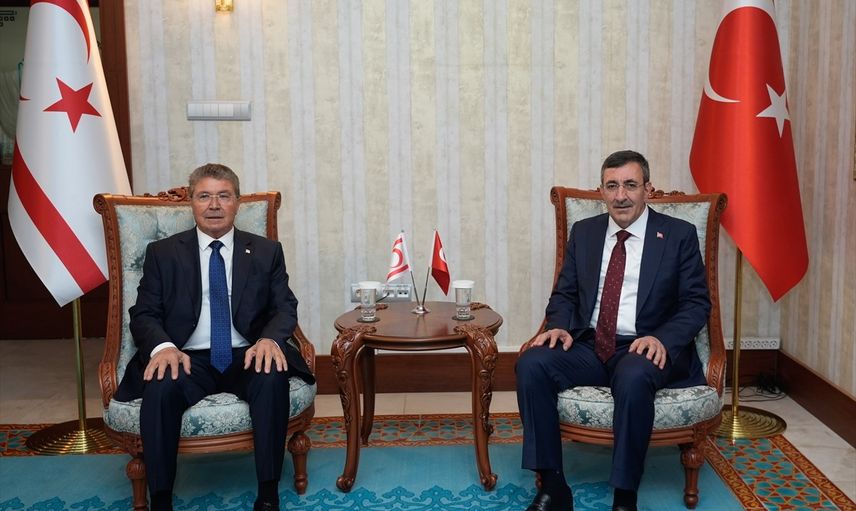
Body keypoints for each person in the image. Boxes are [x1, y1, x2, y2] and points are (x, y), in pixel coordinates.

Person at [516, 150, 710, 511]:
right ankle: (553, 488)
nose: (621, 196)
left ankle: (624, 497)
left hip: (644, 345)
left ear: (647, 189)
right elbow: (565, 293)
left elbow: (696, 303)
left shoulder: (678, 235)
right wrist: (559, 327)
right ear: (601, 191)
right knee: (532, 364)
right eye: (612, 186)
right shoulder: (585, 232)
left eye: (630, 185)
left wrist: (662, 339)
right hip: (590, 344)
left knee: (634, 376)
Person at [113, 163, 315, 511]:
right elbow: (143, 313)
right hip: (187, 357)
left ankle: (268, 494)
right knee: (160, 385)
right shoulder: (163, 253)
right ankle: (160, 500)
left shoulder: (266, 251)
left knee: (271, 375)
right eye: (204, 196)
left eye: (224, 196)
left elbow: (284, 307)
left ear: (238, 202)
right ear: (191, 202)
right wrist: (163, 348)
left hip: (246, 353)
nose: (214, 205)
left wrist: (269, 340)